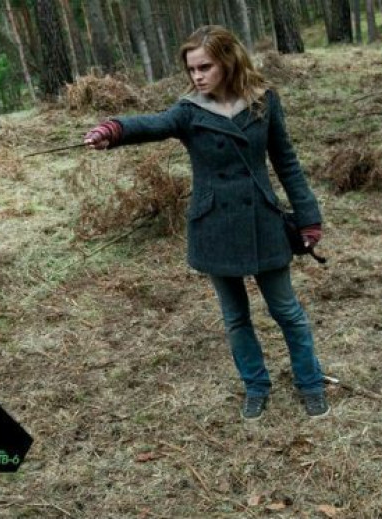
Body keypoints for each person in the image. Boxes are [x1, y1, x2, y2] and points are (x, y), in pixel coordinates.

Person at [83, 26, 328, 421]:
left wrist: (308, 217)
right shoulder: (189, 110)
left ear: (228, 61)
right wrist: (113, 130)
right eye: (191, 69)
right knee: (236, 317)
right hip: (214, 225)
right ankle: (256, 386)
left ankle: (311, 383)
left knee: (287, 311)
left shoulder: (263, 101)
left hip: (263, 220)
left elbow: (286, 162)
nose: (197, 76)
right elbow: (152, 124)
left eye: (205, 67)